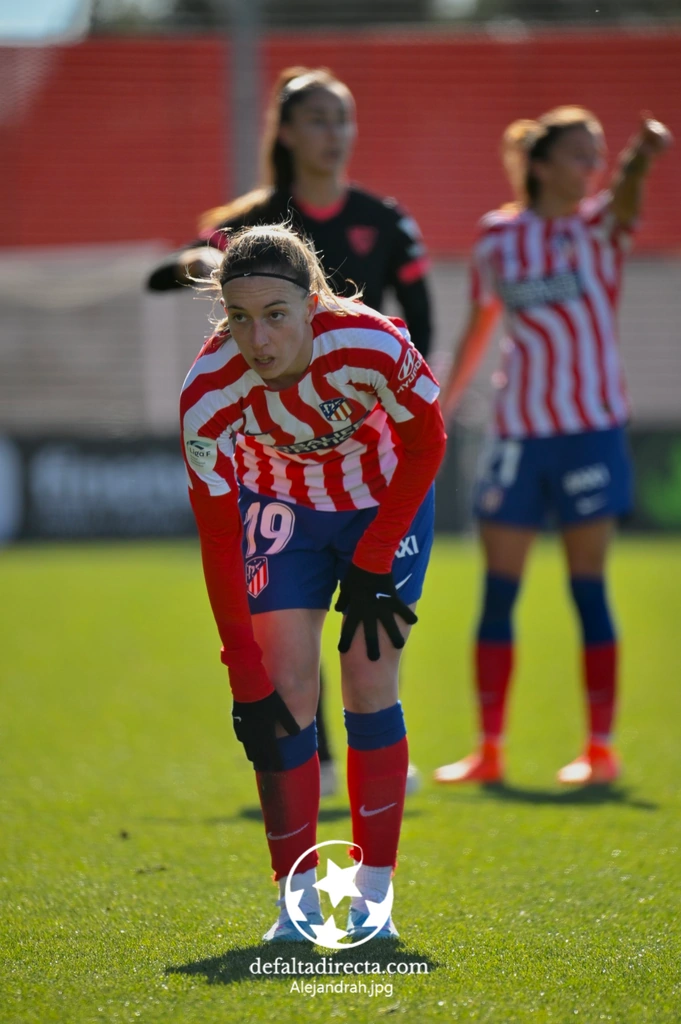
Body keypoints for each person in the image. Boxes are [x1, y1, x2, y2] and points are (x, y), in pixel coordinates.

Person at [150, 65, 434, 795]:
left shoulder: (384, 216)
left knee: (366, 648)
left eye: (343, 118)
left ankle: (368, 741)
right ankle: (321, 760)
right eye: (317, 119)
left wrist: (409, 389)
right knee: (291, 635)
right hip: (284, 466)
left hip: (366, 440)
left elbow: (418, 313)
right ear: (286, 131)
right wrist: (188, 263)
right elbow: (216, 262)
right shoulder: (257, 218)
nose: (333, 134)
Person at [181, 224, 445, 941]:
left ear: (313, 302)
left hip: (381, 505)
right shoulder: (207, 393)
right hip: (282, 512)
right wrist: (242, 671)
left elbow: (427, 441)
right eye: (239, 318)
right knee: (285, 690)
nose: (258, 339)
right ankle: (295, 907)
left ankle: (374, 900)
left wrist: (373, 557)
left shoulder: (370, 342)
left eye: (275, 315)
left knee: (367, 680)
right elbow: (214, 535)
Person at [433, 108, 672, 787]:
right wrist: (443, 406)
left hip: (589, 431)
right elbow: (480, 322)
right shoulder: (496, 237)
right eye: (577, 155)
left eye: (595, 158)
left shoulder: (596, 226)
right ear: (538, 165)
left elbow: (622, 198)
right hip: (517, 436)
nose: (588, 169)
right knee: (497, 593)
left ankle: (598, 748)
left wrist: (637, 161)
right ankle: (489, 750)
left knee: (586, 587)